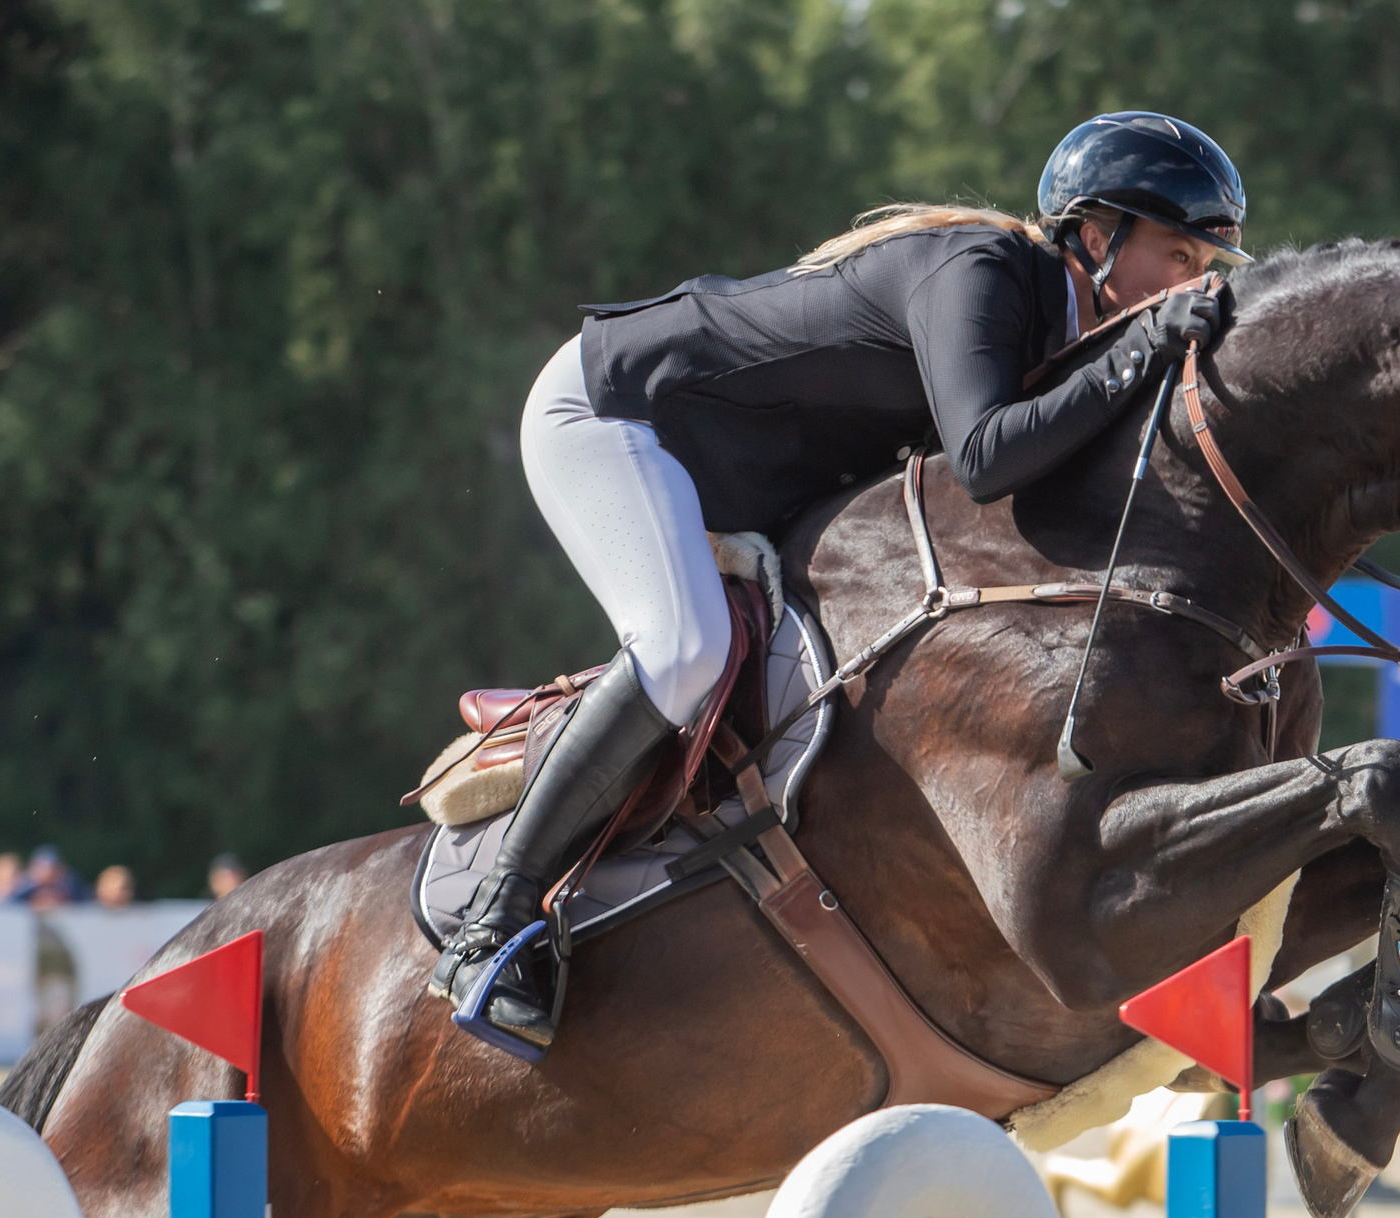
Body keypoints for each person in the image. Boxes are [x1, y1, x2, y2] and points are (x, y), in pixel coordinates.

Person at [431, 112, 1252, 1055]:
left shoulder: (1063, 330)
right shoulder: (980, 270)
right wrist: (1146, 348)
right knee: (685, 646)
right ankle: (492, 924)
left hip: (718, 471)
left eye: (1206, 266)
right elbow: (985, 458)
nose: (1192, 282)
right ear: (1097, 237)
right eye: (1179, 254)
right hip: (613, 413)